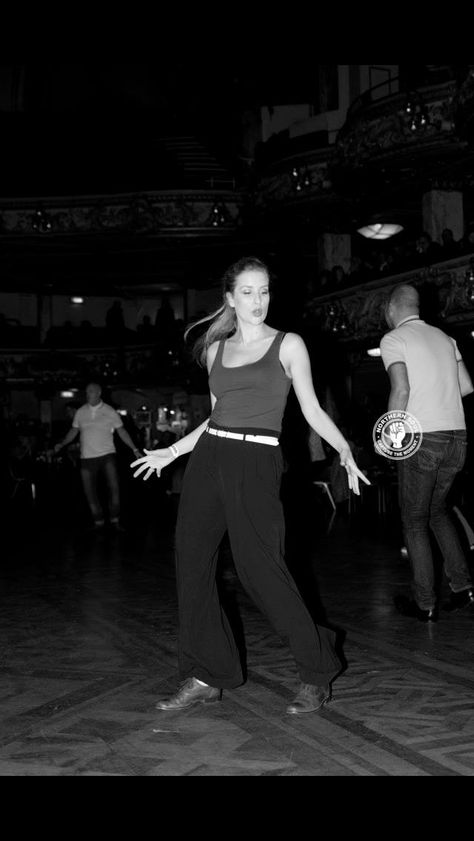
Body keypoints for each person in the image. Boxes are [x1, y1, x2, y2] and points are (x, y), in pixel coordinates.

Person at [131, 256, 369, 715]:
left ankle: (317, 666)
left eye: (263, 291)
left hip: (258, 459)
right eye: (247, 292)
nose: (257, 301)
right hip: (210, 458)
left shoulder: (288, 345)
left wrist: (344, 448)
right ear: (229, 298)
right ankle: (207, 674)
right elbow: (216, 417)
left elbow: (312, 410)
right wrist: (174, 451)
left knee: (260, 569)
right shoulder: (214, 350)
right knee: (192, 561)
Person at [380, 284, 474, 623]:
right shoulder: (445, 338)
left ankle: (425, 604)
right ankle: (463, 588)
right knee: (437, 512)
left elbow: (401, 389)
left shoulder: (394, 339)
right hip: (457, 437)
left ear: (392, 308)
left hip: (423, 438)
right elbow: (466, 386)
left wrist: (391, 436)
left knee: (414, 520)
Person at [55, 382, 141, 531]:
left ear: (99, 393)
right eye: (87, 392)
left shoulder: (109, 411)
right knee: (89, 492)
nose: (88, 394)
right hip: (87, 458)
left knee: (114, 488)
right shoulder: (81, 412)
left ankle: (114, 519)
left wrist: (134, 449)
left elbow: (122, 432)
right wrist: (62, 444)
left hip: (107, 455)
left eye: (91, 392)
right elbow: (73, 431)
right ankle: (98, 521)